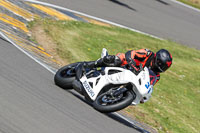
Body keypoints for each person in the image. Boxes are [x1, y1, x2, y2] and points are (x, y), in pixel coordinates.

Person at [84, 49, 172, 85]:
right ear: (157, 60)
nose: (161, 69)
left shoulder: (156, 76)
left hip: (131, 78)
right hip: (125, 64)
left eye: (164, 68)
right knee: (117, 59)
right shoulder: (147, 54)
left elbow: (148, 86)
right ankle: (90, 65)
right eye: (162, 66)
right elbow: (130, 53)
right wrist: (132, 63)